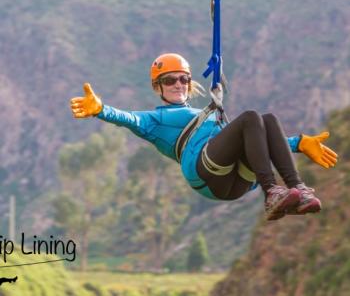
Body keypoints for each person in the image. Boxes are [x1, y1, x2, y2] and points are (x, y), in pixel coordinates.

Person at [70, 53, 338, 220]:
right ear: (157, 87)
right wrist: (101, 110)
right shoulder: (155, 120)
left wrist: (298, 144)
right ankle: (272, 193)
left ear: (189, 83)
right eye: (169, 80)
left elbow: (253, 140)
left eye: (183, 79)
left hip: (237, 180)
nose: (177, 85)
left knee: (266, 120)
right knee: (250, 117)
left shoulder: (208, 114)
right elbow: (128, 118)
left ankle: (298, 191)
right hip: (207, 175)